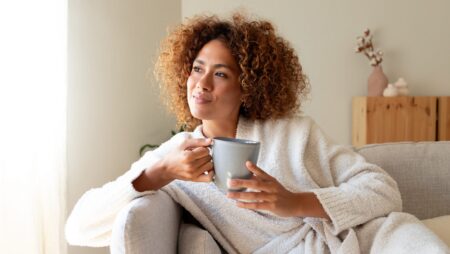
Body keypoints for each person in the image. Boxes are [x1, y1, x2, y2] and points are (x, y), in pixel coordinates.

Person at [65, 12, 449, 253]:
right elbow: (79, 227)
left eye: (220, 74)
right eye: (197, 69)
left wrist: (295, 202)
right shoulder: (176, 157)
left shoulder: (292, 133)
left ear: (247, 86)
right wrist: (160, 172)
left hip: (370, 240)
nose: (202, 84)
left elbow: (385, 191)